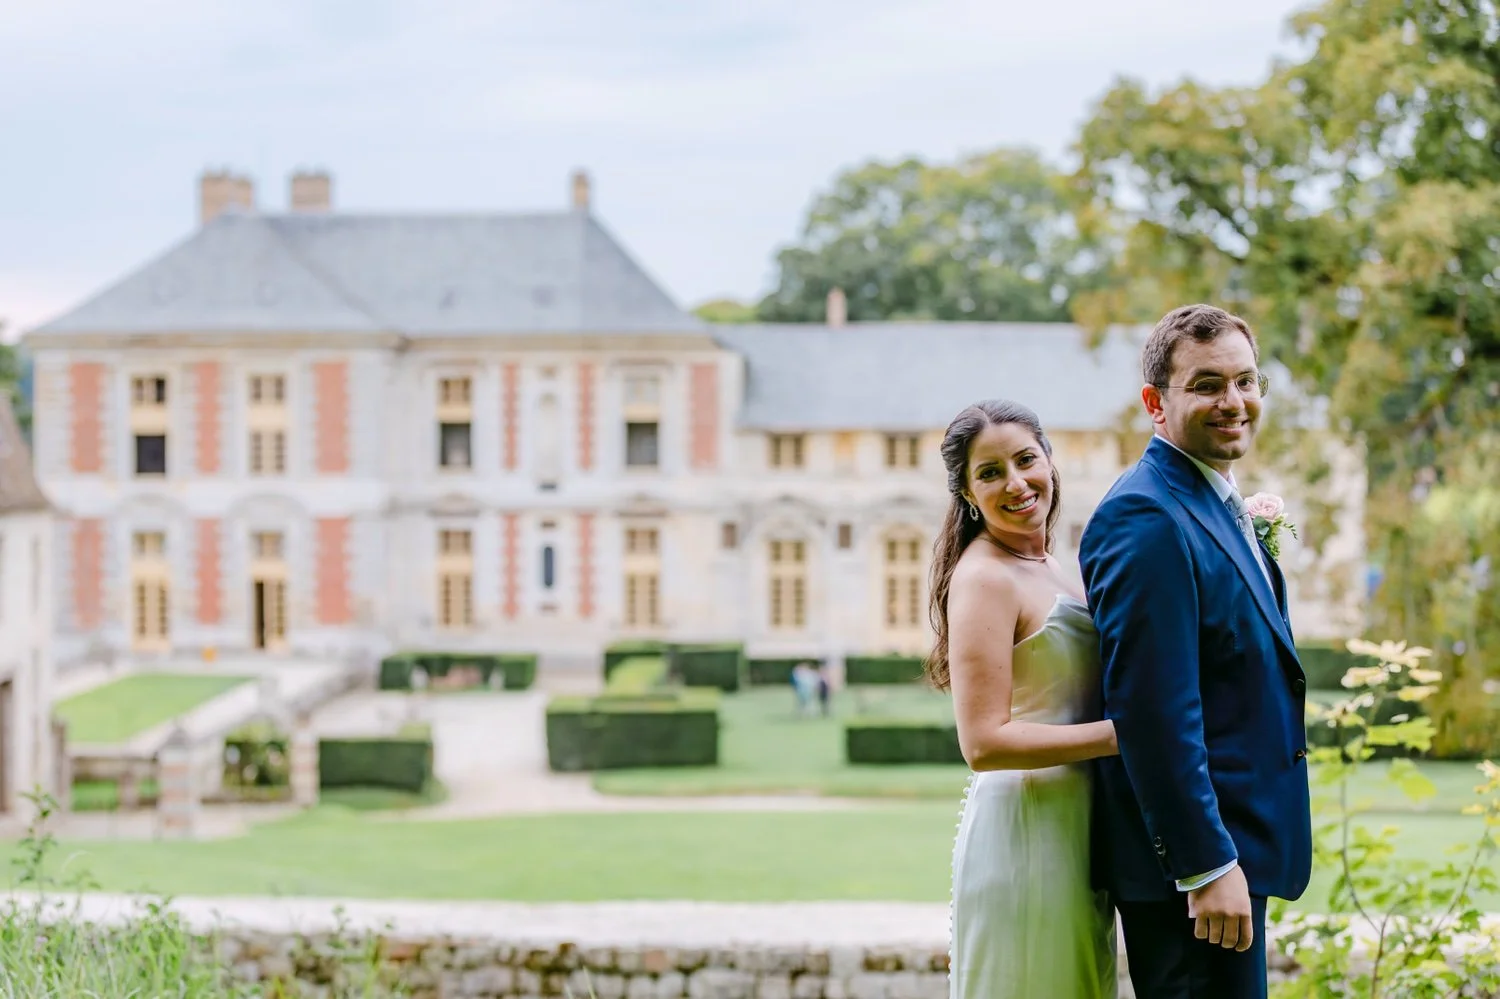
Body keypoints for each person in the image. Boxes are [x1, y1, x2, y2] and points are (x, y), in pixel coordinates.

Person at [1078, 304, 1312, 999]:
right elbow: (1153, 710)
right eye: (1208, 384)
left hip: (1238, 849)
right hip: (1194, 877)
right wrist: (1205, 864)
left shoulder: (1213, 497)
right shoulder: (1145, 515)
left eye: (1246, 381)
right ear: (1156, 403)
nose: (1234, 401)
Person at [928, 399, 1119, 999]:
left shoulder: (1057, 567)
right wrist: (1123, 736)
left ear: (1050, 461)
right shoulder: (985, 576)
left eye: (1025, 459)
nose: (1015, 483)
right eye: (989, 473)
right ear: (966, 493)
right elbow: (983, 743)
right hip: (1027, 834)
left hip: (1078, 830)